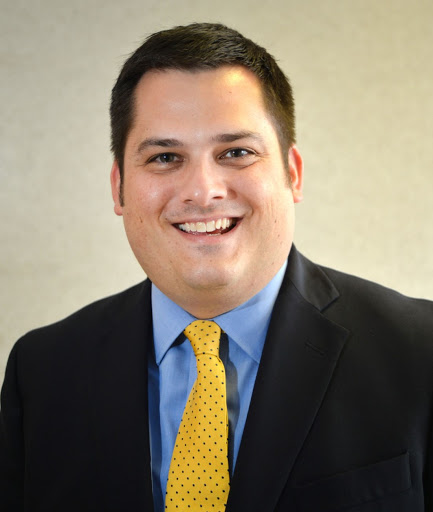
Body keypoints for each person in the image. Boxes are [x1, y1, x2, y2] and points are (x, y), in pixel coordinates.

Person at [1, 22, 432, 512]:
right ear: (118, 187)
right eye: (165, 157)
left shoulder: (421, 353)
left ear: (292, 173)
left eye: (236, 152)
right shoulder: (42, 373)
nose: (203, 191)